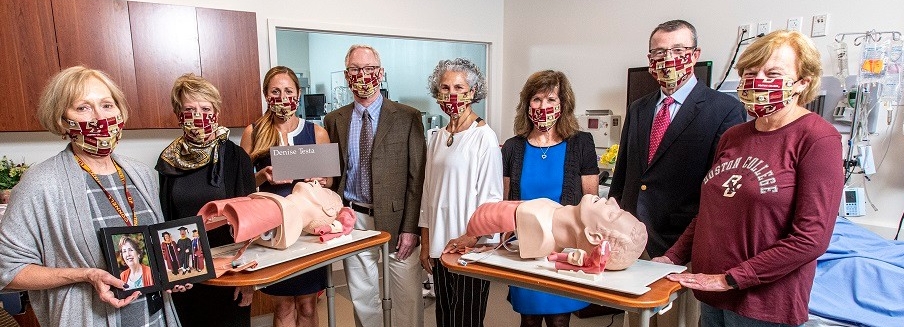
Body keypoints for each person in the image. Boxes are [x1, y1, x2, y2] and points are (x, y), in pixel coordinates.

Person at [652, 30, 844, 327]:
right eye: (752, 72)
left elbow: (811, 238)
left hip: (764, 305)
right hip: (712, 295)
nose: (759, 79)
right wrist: (673, 256)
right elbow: (708, 212)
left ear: (802, 82)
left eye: (773, 72)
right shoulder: (734, 136)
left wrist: (731, 279)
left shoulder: (817, 138)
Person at [0, 66, 183, 326]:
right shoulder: (41, 183)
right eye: (83, 108)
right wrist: (85, 275)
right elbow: (7, 270)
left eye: (107, 105)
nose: (100, 117)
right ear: (63, 120)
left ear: (120, 112)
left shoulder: (141, 174)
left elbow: (150, 248)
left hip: (154, 318)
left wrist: (171, 272)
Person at [608, 19, 745, 327]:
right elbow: (624, 171)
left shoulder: (723, 109)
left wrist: (684, 245)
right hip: (634, 239)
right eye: (658, 52)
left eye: (678, 50)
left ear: (695, 55)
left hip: (684, 243)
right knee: (638, 321)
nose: (667, 59)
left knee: (676, 323)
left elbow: (720, 188)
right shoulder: (640, 108)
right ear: (649, 61)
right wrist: (615, 216)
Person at [323, 44, 426, 327]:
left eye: (369, 69)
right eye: (356, 69)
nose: (363, 75)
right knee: (362, 298)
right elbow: (333, 174)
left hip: (397, 220)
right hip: (354, 219)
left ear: (381, 73)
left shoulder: (407, 116)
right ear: (347, 76)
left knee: (406, 297)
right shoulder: (335, 120)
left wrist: (410, 228)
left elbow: (417, 178)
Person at [498, 70, 599, 327]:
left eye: (551, 100)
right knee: (529, 320)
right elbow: (505, 199)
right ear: (527, 104)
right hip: (525, 248)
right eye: (537, 99)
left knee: (559, 320)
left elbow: (591, 201)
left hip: (565, 250)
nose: (543, 106)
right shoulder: (512, 147)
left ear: (563, 105)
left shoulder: (581, 143)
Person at [156, 72, 256, 326]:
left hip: (229, 272)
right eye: (190, 109)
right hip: (185, 273)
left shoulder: (236, 158)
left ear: (216, 113)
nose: (198, 115)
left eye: (205, 108)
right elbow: (164, 218)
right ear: (179, 114)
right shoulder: (167, 161)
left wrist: (249, 281)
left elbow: (251, 224)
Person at [240, 65, 330, 327]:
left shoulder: (316, 132)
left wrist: (321, 180)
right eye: (275, 91)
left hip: (309, 230)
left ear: (298, 94)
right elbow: (241, 183)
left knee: (308, 306)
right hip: (274, 230)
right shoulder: (253, 132)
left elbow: (330, 180)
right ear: (266, 96)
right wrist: (261, 176)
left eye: (288, 91)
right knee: (283, 307)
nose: (282, 97)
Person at [418, 58, 502, 327]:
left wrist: (470, 238)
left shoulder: (484, 137)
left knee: (466, 320)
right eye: (445, 87)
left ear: (473, 92)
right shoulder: (437, 137)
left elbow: (492, 199)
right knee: (444, 316)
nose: (451, 94)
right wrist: (426, 241)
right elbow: (428, 192)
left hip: (470, 248)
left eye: (459, 87)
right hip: (441, 244)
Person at [449, 195, 647, 272]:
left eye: (613, 213)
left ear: (594, 236)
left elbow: (481, 217)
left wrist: (472, 233)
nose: (612, 200)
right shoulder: (549, 213)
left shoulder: (535, 220)